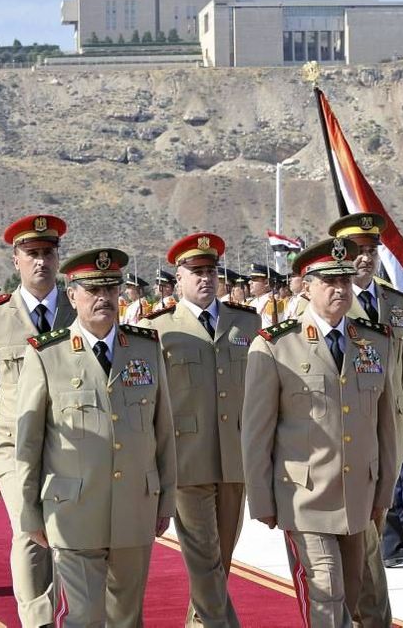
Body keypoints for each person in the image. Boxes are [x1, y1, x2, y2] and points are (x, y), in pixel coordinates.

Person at [14, 247, 176, 626]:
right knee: (83, 617)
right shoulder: (46, 354)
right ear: (72, 295)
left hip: (135, 506)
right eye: (92, 290)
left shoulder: (146, 348)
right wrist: (28, 511)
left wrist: (165, 498)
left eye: (111, 289)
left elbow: (163, 430)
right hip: (73, 512)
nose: (103, 298)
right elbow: (29, 442)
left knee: (126, 618)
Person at [241, 237, 397, 627]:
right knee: (326, 596)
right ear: (306, 285)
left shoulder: (374, 342)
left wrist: (385, 489)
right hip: (304, 498)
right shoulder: (276, 346)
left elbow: (386, 424)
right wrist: (261, 498)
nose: (339, 289)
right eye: (328, 281)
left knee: (352, 594)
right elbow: (256, 431)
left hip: (358, 496)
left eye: (345, 280)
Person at [141, 233, 261, 627]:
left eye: (210, 270)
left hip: (235, 458)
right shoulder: (158, 328)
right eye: (196, 271)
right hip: (185, 462)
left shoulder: (245, 321)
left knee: (222, 558)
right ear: (179, 277)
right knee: (204, 558)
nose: (205, 278)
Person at [0, 214, 75, 627]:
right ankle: (38, 622)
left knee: (73, 539)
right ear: (15, 259)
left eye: (48, 253)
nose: (41, 262)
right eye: (31, 253)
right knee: (30, 532)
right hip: (14, 448)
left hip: (72, 444)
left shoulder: (79, 311)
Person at [327, 212, 403, 627]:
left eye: (370, 250)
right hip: (344, 436)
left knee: (372, 530)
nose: (364, 258)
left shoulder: (397, 305)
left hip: (391, 434)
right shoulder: (327, 303)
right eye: (356, 250)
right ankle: (365, 615)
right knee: (359, 539)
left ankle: (362, 613)